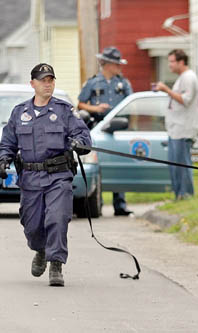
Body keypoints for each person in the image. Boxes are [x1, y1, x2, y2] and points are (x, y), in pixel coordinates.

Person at [0, 63, 91, 287]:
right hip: (30, 177)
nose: (47, 84)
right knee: (32, 224)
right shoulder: (20, 113)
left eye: (50, 80)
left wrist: (80, 144)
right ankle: (40, 250)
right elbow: (8, 141)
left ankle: (56, 263)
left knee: (57, 218)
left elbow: (82, 134)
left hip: (58, 175)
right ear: (33, 84)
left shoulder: (64, 111)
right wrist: (3, 160)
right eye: (43, 80)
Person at [77, 46, 133, 216]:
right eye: (117, 64)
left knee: (119, 164)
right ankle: (97, 203)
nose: (119, 67)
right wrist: (96, 108)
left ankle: (120, 205)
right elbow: (80, 104)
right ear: (107, 64)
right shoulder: (93, 82)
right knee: (98, 164)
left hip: (118, 128)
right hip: (98, 127)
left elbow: (131, 103)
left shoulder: (123, 84)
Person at [154, 49, 198, 200]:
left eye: (172, 61)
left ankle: (185, 194)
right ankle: (179, 195)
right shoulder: (182, 77)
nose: (169, 65)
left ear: (181, 62)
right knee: (175, 164)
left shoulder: (188, 77)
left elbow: (186, 100)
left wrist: (166, 89)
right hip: (176, 129)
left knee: (182, 164)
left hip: (184, 128)